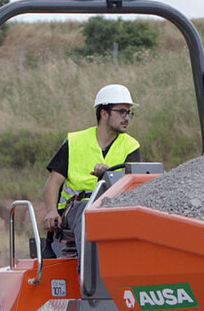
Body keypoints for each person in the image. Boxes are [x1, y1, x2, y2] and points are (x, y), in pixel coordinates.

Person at [41, 84, 143, 236]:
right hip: (75, 207)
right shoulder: (75, 141)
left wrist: (107, 176)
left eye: (129, 112)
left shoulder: (131, 146)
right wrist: (51, 211)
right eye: (121, 112)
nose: (127, 117)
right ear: (104, 113)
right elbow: (53, 182)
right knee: (88, 213)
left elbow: (133, 186)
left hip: (113, 207)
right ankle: (90, 260)